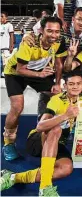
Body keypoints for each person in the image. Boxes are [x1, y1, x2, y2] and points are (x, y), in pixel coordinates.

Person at [0, 71, 82, 196]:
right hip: (37, 141)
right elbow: (40, 126)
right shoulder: (56, 100)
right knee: (55, 128)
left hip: (58, 143)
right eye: (71, 84)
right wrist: (65, 115)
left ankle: (13, 177)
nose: (75, 87)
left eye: (78, 83)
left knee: (66, 168)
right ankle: (45, 187)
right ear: (65, 86)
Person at [2, 16, 66, 161]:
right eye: (49, 31)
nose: (53, 35)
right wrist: (40, 74)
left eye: (57, 32)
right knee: (17, 107)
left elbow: (59, 64)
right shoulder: (29, 43)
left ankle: (44, 128)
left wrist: (56, 83)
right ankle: (8, 143)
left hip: (38, 73)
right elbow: (20, 69)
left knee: (58, 95)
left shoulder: (59, 41)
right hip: (15, 73)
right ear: (42, 31)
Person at [0, 11, 14, 77]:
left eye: (2, 16)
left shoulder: (9, 25)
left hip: (6, 47)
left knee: (6, 62)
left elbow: (11, 36)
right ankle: (3, 73)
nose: (0, 18)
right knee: (2, 62)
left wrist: (11, 46)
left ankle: (6, 74)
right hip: (1, 46)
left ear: (6, 18)